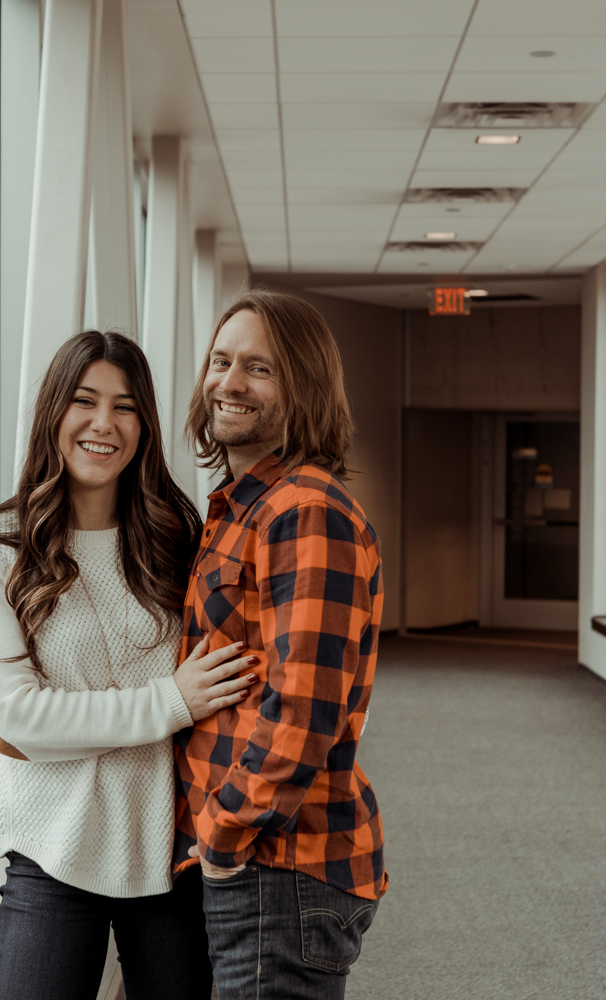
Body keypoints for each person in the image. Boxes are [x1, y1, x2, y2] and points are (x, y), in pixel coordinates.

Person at [0, 330, 258, 1000]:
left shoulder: (181, 542)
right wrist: (172, 700)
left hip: (172, 849)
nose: (103, 424)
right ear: (53, 414)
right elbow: (16, 719)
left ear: (144, 425)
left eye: (125, 407)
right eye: (85, 401)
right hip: (50, 847)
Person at [174, 290, 388, 999]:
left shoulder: (305, 511)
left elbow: (304, 709)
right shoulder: (244, 506)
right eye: (221, 361)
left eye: (259, 369)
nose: (229, 383)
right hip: (257, 860)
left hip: (277, 862)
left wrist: (226, 839)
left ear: (304, 389)